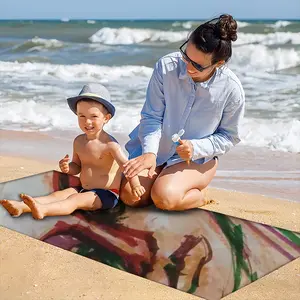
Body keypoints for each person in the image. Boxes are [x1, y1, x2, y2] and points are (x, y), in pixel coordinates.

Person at [120, 14, 245, 211]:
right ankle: (165, 183)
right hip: (158, 149)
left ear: (218, 64)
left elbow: (229, 136)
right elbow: (151, 116)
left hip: (194, 159)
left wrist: (196, 147)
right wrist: (150, 153)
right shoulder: (166, 66)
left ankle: (199, 195)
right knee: (131, 196)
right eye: (186, 56)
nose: (187, 67)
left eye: (196, 65)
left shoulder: (231, 89)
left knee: (165, 198)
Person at [0, 83, 145, 220]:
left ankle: (44, 210)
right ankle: (21, 207)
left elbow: (127, 167)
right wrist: (68, 168)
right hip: (83, 188)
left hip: (106, 195)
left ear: (106, 118)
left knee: (74, 200)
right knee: (58, 195)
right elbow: (77, 166)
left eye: (93, 116)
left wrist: (136, 185)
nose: (87, 122)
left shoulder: (110, 145)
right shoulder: (79, 141)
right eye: (82, 116)